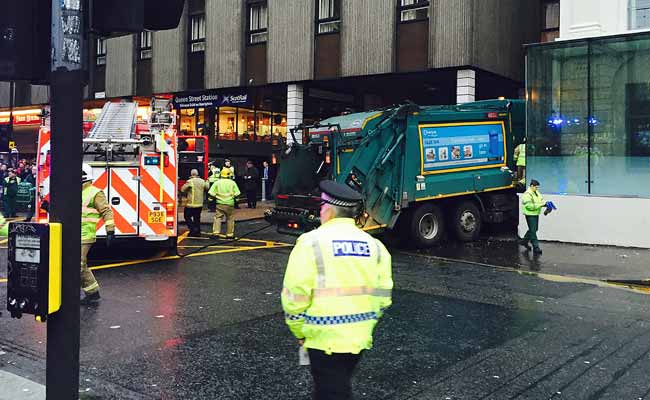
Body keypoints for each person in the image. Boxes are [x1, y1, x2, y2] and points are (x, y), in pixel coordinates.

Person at [281, 180, 393, 400]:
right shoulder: (375, 246)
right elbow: (383, 295)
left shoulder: (310, 242)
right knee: (336, 386)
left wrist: (299, 332)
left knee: (331, 391)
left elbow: (294, 296)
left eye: (322, 207)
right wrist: (366, 323)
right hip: (359, 339)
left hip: (323, 340)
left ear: (329, 210)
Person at [81, 165, 115, 305]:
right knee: (77, 264)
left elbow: (106, 211)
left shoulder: (95, 192)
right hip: (71, 233)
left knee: (78, 264)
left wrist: (110, 230)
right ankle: (92, 292)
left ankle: (90, 293)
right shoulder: (72, 190)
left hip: (85, 234)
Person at [208, 168, 241, 238]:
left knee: (218, 218)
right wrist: (237, 200)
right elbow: (237, 193)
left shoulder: (217, 182)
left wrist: (210, 199)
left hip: (220, 203)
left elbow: (211, 193)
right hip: (230, 204)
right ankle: (229, 234)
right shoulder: (232, 183)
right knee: (230, 219)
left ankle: (216, 233)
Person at [519, 179, 546, 255]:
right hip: (530, 214)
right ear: (531, 186)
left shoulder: (536, 192)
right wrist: (541, 205)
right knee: (533, 231)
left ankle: (524, 241)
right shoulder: (527, 194)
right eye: (536, 187)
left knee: (534, 229)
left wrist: (546, 203)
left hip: (535, 213)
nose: (537, 189)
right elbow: (529, 206)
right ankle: (536, 247)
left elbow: (541, 200)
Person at [180, 168, 209, 237]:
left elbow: (182, 189)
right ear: (197, 174)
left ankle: (192, 230)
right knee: (197, 218)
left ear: (191, 174)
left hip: (191, 204)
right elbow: (207, 187)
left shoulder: (190, 181)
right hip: (199, 204)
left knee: (187, 217)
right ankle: (198, 232)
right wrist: (207, 181)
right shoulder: (202, 181)